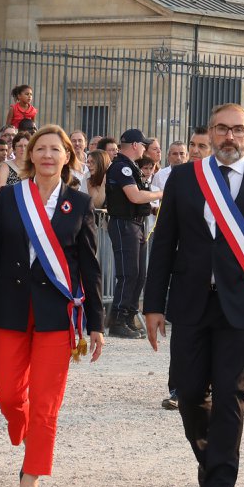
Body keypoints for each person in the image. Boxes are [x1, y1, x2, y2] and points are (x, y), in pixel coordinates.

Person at [144, 103, 244, 487]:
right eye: (221, 129)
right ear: (209, 133)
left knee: (230, 393)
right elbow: (165, 243)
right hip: (191, 301)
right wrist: (153, 304)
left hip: (241, 306)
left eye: (238, 130)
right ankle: (212, 462)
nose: (229, 137)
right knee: (189, 392)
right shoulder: (185, 179)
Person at [0, 126, 102, 487]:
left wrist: (97, 324)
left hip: (57, 315)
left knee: (46, 404)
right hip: (10, 309)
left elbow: (89, 269)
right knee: (9, 395)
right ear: (30, 156)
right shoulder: (10, 198)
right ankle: (22, 429)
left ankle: (31, 476)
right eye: (40, 148)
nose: (46, 155)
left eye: (54, 149)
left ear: (67, 157)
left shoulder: (80, 202)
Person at [104, 129, 161, 338]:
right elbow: (135, 197)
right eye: (143, 144)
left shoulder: (130, 168)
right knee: (128, 273)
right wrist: (162, 193)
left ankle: (128, 316)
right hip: (123, 224)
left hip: (135, 224)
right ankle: (117, 320)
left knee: (138, 275)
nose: (145, 148)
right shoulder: (121, 167)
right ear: (135, 145)